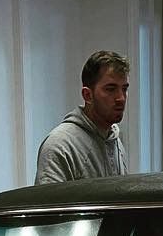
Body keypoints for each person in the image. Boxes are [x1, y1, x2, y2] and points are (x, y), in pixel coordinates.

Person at [35, 51, 129, 183]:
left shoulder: (115, 140)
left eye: (124, 89)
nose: (121, 98)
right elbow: (48, 203)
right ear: (87, 95)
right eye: (110, 89)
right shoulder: (60, 146)